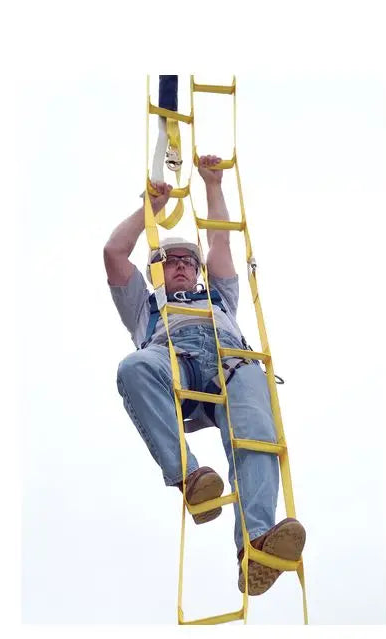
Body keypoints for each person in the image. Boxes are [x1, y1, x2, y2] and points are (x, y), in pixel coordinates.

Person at [103, 155, 306, 595]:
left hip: (229, 366)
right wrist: (149, 211)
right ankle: (190, 478)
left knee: (256, 426)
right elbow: (114, 253)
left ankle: (255, 543)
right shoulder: (144, 306)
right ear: (156, 271)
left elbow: (220, 242)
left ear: (197, 271)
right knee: (134, 367)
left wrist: (213, 185)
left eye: (187, 262)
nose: (180, 265)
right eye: (169, 260)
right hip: (176, 366)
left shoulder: (220, 297)